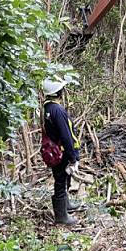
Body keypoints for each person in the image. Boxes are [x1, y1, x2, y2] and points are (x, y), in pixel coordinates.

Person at [42, 78, 81, 225]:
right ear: (58, 92)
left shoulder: (46, 108)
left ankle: (66, 205)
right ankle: (61, 217)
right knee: (60, 181)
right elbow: (66, 136)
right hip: (62, 152)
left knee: (64, 178)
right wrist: (72, 157)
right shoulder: (57, 110)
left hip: (53, 151)